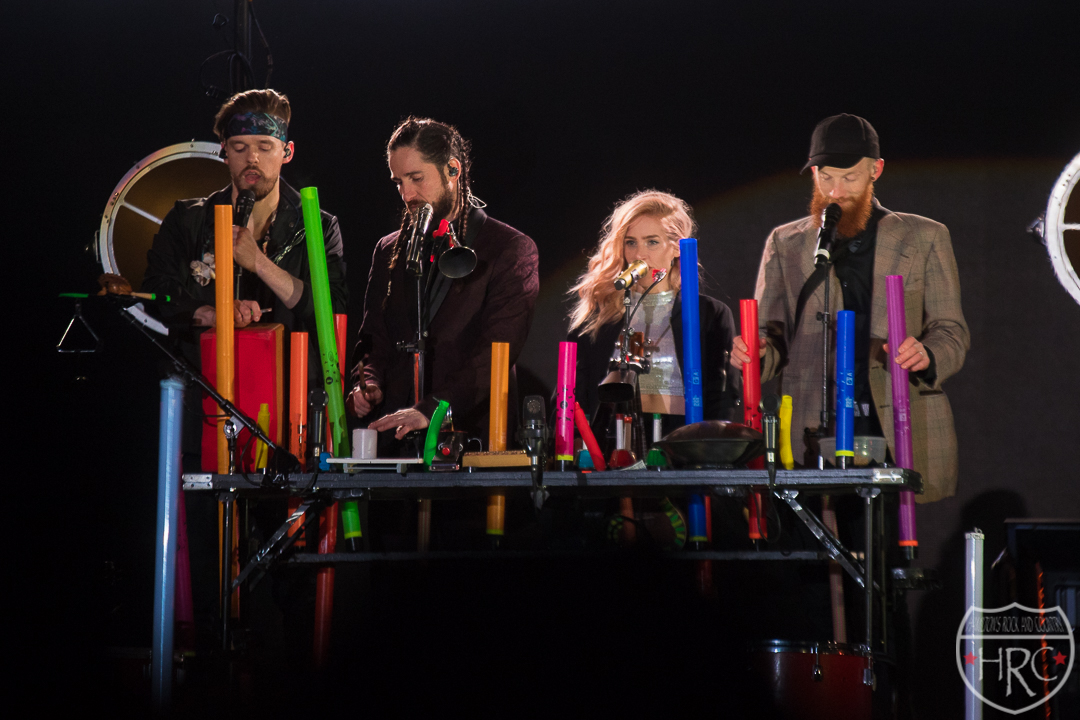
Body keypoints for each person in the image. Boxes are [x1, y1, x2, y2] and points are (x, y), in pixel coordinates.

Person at [731, 114, 969, 502]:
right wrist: (755, 352)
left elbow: (951, 330)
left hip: (894, 419)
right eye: (825, 177)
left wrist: (926, 354)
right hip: (812, 423)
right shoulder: (786, 243)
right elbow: (770, 337)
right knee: (817, 532)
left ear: (876, 170)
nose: (835, 191)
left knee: (887, 534)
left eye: (849, 178)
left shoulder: (924, 236)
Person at [349, 117, 539, 446]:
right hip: (395, 438)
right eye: (398, 182)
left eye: (416, 178)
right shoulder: (387, 250)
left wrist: (431, 409)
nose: (407, 194)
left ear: (453, 169)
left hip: (471, 439)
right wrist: (369, 382)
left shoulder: (509, 248)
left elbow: (495, 354)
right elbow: (373, 338)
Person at [143, 87, 347, 338]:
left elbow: (334, 309)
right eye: (239, 147)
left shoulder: (317, 226)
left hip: (287, 362)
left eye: (265, 147)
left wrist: (259, 263)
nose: (252, 158)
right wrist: (213, 315)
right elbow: (156, 293)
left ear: (287, 152)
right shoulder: (186, 219)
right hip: (205, 362)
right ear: (225, 152)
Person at [568, 190, 740, 433]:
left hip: (682, 439)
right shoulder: (601, 315)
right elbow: (574, 392)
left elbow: (722, 395)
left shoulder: (710, 313)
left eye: (652, 242)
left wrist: (707, 446)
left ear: (677, 247)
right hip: (612, 439)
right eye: (631, 242)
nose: (639, 255)